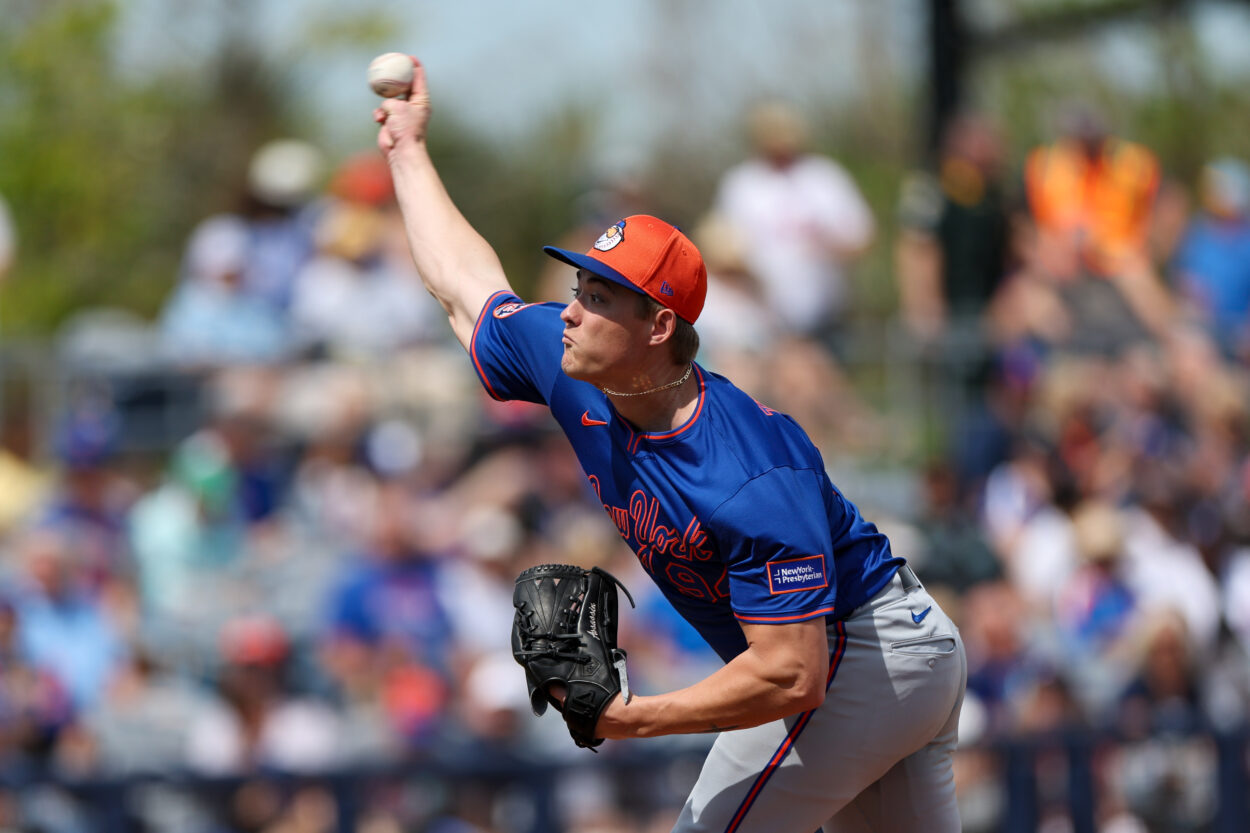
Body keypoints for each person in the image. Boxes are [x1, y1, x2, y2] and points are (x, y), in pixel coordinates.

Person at [373, 57, 966, 832]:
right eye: (580, 289)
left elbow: (793, 674)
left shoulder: (747, 470)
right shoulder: (570, 358)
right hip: (875, 657)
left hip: (863, 654)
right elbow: (462, 284)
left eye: (600, 297)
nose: (573, 312)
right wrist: (409, 151)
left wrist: (632, 716)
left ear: (658, 327)